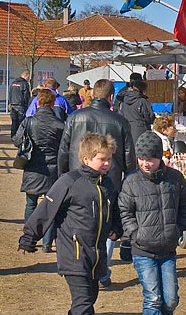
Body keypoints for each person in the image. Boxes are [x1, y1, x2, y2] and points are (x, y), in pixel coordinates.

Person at [19, 133, 123, 315]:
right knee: (84, 302)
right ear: (86, 159)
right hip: (73, 252)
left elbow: (113, 212)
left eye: (109, 159)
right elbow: (47, 209)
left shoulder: (108, 185)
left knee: (88, 298)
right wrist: (29, 236)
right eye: (102, 159)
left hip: (96, 255)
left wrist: (116, 229)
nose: (107, 164)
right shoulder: (69, 181)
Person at [118, 131, 186, 315]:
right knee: (153, 297)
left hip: (168, 248)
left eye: (150, 158)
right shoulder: (130, 181)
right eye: (141, 158)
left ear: (160, 157)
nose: (145, 163)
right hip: (143, 250)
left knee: (170, 299)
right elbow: (125, 212)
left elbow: (184, 205)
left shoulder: (175, 179)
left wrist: (179, 228)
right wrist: (135, 234)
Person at [58, 79, 136, 288]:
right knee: (107, 223)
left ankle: (82, 265)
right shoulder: (120, 121)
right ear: (111, 97)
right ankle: (102, 269)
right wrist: (130, 180)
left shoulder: (74, 117)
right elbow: (129, 158)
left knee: (81, 220)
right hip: (109, 178)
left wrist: (62, 178)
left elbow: (64, 151)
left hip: (77, 177)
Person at [13, 89, 64, 253]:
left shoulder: (28, 122)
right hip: (53, 168)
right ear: (52, 104)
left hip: (33, 166)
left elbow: (16, 140)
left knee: (31, 203)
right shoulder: (59, 124)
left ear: (38, 103)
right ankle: (47, 243)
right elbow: (65, 147)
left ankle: (30, 239)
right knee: (51, 206)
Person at [117, 79, 155, 145]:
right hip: (140, 130)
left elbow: (120, 115)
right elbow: (149, 117)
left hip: (126, 129)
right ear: (143, 90)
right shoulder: (142, 101)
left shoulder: (123, 101)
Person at [9, 70, 32, 137]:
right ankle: (19, 136)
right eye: (28, 77)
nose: (28, 79)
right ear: (26, 76)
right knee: (21, 122)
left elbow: (10, 93)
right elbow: (26, 95)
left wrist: (10, 102)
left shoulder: (13, 82)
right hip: (21, 105)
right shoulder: (24, 84)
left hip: (13, 105)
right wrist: (27, 104)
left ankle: (13, 135)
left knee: (14, 122)